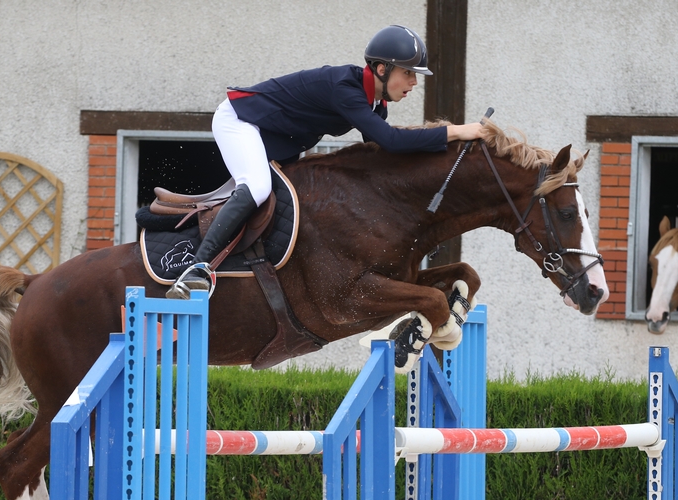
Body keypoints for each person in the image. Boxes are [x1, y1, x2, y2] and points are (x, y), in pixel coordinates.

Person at [166, 24, 485, 300]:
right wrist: (455, 131)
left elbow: (386, 161)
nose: (414, 83)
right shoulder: (345, 89)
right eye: (408, 73)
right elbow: (390, 140)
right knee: (259, 187)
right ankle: (197, 268)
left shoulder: (375, 105)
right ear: (382, 70)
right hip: (241, 120)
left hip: (278, 140)